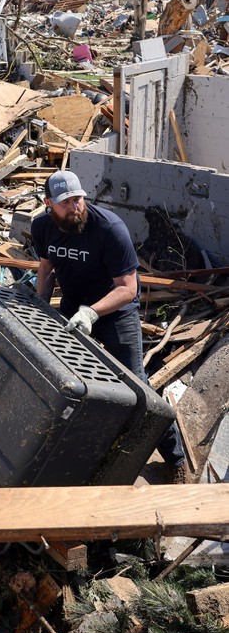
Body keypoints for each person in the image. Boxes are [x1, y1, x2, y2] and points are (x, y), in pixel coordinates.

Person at [31, 169, 187, 483]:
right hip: (75, 310)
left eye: (78, 199)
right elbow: (47, 266)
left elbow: (128, 288)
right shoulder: (42, 227)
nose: (74, 207)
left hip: (115, 312)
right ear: (49, 203)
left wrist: (92, 313)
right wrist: (41, 306)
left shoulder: (109, 229)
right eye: (65, 202)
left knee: (138, 387)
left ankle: (175, 460)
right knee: (73, 381)